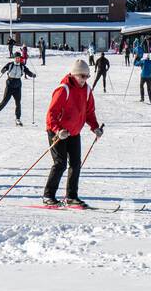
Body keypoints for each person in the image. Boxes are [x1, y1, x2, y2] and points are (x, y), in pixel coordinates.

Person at [42, 58, 104, 208]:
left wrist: (95, 127)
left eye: (87, 76)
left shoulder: (87, 90)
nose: (85, 79)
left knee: (76, 164)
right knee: (60, 163)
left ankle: (71, 196)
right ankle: (48, 195)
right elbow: (51, 114)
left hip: (74, 132)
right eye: (82, 76)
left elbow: (89, 112)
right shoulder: (64, 89)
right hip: (58, 131)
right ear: (75, 75)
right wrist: (58, 130)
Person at [0, 51, 36, 125]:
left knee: (18, 103)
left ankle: (18, 119)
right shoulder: (10, 64)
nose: (17, 59)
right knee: (4, 101)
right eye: (16, 58)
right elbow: (3, 69)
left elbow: (27, 72)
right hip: (9, 85)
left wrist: (32, 74)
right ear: (14, 58)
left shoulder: (22, 66)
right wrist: (3, 70)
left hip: (17, 86)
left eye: (19, 58)